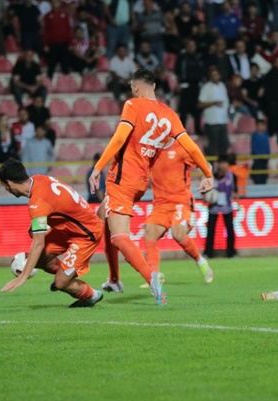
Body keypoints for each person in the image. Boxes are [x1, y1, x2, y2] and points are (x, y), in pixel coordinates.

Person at [89, 68, 213, 305]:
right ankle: (114, 278)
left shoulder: (133, 105)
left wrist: (98, 167)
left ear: (136, 87)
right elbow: (193, 147)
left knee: (119, 236)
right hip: (140, 183)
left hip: (123, 177)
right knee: (102, 214)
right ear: (154, 86)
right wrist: (208, 173)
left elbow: (119, 137)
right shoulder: (170, 115)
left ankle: (152, 278)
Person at [0, 159, 104, 308]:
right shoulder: (39, 179)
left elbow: (38, 243)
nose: (6, 190)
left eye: (4, 186)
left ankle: (91, 295)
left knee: (60, 283)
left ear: (9, 183)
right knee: (41, 260)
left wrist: (23, 276)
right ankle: (66, 274)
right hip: (66, 229)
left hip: (86, 234)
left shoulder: (37, 202)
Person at [144, 137, 214, 284]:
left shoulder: (182, 147)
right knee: (149, 234)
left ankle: (200, 261)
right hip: (160, 205)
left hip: (180, 202)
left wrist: (207, 176)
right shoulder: (149, 150)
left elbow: (205, 163)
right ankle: (154, 278)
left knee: (178, 233)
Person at [204, 155, 237, 259]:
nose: (222, 165)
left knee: (230, 230)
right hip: (213, 207)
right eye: (221, 162)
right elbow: (205, 192)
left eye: (225, 163)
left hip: (227, 207)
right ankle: (208, 252)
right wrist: (207, 197)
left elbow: (235, 191)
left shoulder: (231, 176)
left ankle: (231, 252)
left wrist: (237, 201)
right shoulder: (211, 177)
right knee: (210, 230)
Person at [198, 67, 230, 156]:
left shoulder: (222, 86)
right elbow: (200, 104)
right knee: (212, 148)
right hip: (212, 123)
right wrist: (213, 103)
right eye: (213, 75)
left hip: (222, 122)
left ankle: (221, 167)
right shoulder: (206, 87)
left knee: (224, 146)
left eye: (216, 74)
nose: (215, 76)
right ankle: (210, 168)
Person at [176, 38, 204, 134]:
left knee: (197, 110)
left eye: (193, 45)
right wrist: (178, 84)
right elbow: (178, 72)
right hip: (185, 87)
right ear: (186, 47)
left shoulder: (199, 57)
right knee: (183, 111)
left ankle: (198, 130)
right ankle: (181, 131)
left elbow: (202, 72)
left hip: (196, 87)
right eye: (189, 46)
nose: (191, 48)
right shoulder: (182, 58)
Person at [42, 0, 72, 80]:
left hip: (64, 43)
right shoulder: (47, 16)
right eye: (53, 2)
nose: (55, 4)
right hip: (53, 44)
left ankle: (67, 82)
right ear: (51, 4)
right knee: (51, 64)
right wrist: (45, 44)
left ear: (60, 3)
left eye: (57, 2)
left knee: (65, 64)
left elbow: (68, 29)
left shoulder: (65, 15)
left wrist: (70, 43)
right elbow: (46, 31)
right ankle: (49, 81)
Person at [251, 119, 270, 185]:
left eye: (262, 125)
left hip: (265, 159)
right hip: (258, 159)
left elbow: (267, 146)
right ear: (256, 126)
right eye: (259, 125)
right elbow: (254, 147)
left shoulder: (266, 135)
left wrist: (267, 155)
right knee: (257, 176)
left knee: (264, 175)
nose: (261, 127)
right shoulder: (255, 135)